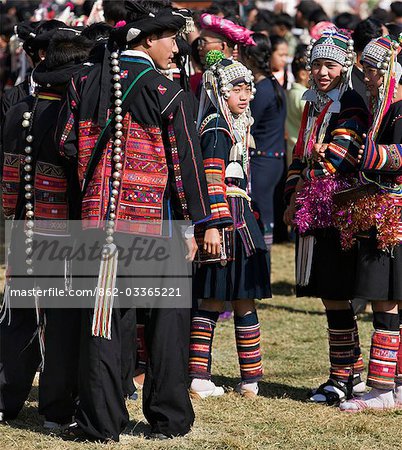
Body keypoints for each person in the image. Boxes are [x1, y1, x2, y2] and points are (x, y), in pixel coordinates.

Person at [56, 3, 210, 442]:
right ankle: (169, 419)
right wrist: (197, 224)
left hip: (98, 224)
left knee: (104, 325)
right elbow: (186, 167)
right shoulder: (167, 91)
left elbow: (65, 143)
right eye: (171, 40)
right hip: (152, 226)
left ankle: (102, 422)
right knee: (166, 323)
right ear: (147, 40)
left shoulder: (83, 82)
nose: (178, 49)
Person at [0, 29, 92, 429]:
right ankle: (55, 410)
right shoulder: (70, 118)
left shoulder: (19, 110)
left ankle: (6, 399)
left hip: (24, 228)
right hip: (64, 235)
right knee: (60, 324)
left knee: (19, 318)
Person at [283, 29, 369, 406]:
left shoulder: (351, 103)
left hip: (339, 210)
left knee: (336, 294)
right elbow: (301, 156)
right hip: (315, 208)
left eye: (330, 65)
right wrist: (293, 196)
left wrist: (315, 166)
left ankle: (343, 377)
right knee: (329, 296)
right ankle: (350, 372)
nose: (321, 71)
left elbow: (340, 158)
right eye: (316, 64)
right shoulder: (313, 105)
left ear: (345, 68)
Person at [189, 51, 271, 400]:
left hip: (238, 221)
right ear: (220, 93)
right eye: (236, 89)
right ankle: (198, 375)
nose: (245, 95)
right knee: (212, 298)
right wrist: (213, 225)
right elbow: (210, 179)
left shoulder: (233, 126)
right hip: (226, 223)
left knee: (243, 299)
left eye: (247, 88)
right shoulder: (217, 127)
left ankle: (250, 379)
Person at [337, 35, 402, 412]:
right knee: (390, 298)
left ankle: (380, 388)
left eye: (375, 71)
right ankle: (392, 385)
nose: (370, 78)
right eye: (367, 71)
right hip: (385, 211)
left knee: (386, 299)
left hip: (390, 215)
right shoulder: (385, 107)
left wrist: (369, 154)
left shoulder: (398, 109)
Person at [241, 33, 287, 253]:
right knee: (264, 216)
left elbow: (248, 123)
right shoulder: (271, 85)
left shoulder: (263, 90)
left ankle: (260, 266)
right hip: (272, 160)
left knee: (260, 217)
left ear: (248, 57)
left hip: (263, 161)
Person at [286, 45, 309, 167]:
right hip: (300, 151)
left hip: (290, 147)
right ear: (303, 74)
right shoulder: (303, 97)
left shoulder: (290, 92)